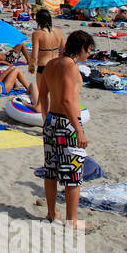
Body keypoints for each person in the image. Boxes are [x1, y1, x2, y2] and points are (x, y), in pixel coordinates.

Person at [37, 30, 95, 228]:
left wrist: (46, 119)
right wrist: (78, 129)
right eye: (89, 50)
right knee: (72, 175)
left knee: (51, 170)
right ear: (81, 48)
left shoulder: (51, 64)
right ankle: (72, 220)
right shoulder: (70, 66)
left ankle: (52, 214)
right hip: (66, 123)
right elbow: (67, 100)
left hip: (52, 121)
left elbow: (43, 95)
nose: (89, 54)